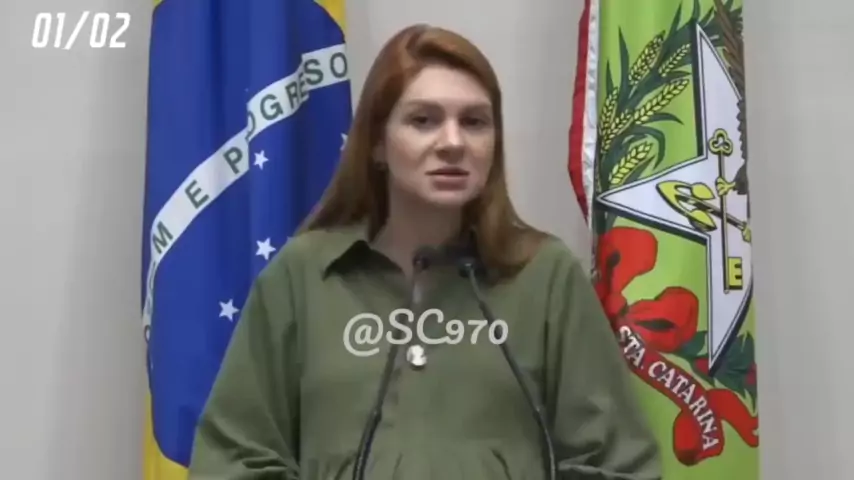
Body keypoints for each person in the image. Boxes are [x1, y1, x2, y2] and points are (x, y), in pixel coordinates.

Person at [187, 23, 662, 480]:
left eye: (474, 122)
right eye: (423, 120)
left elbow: (616, 462)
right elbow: (235, 461)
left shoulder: (544, 275)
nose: (453, 143)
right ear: (377, 143)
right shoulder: (303, 275)